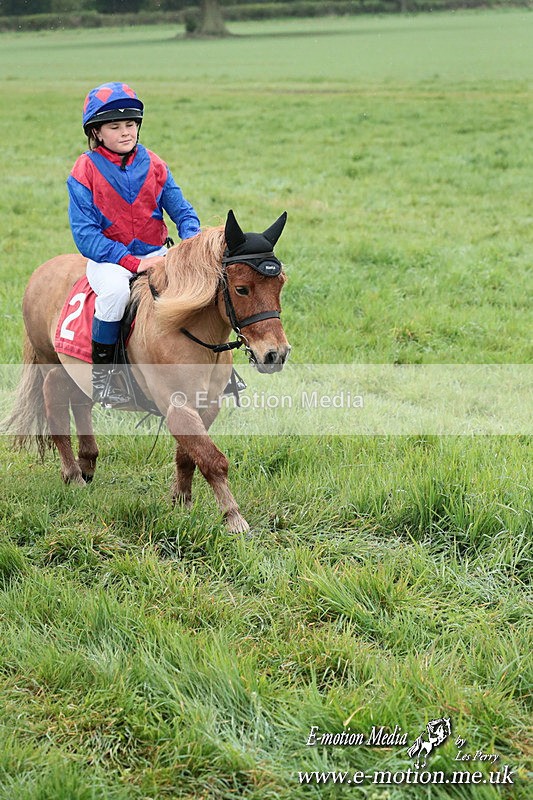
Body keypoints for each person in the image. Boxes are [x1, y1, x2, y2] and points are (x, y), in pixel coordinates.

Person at [67, 81, 201, 406]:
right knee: (115, 294)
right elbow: (85, 237)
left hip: (158, 253)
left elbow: (182, 210)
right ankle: (106, 379)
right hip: (109, 261)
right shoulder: (84, 170)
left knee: (196, 291)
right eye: (115, 126)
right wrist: (133, 263)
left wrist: (192, 240)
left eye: (131, 124)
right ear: (97, 132)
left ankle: (205, 371)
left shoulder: (154, 164)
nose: (126, 132)